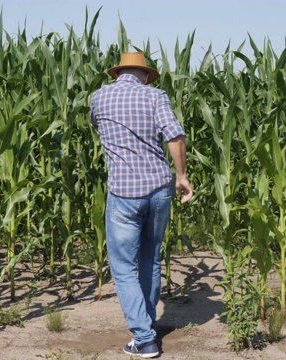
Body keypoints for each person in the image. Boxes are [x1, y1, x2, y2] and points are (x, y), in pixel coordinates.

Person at [90, 52, 193, 358]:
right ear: (145, 75)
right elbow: (174, 136)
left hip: (124, 192)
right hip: (160, 189)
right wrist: (182, 176)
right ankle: (146, 324)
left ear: (118, 73)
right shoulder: (155, 96)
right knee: (150, 258)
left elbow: (99, 127)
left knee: (122, 266)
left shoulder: (98, 98)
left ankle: (145, 338)